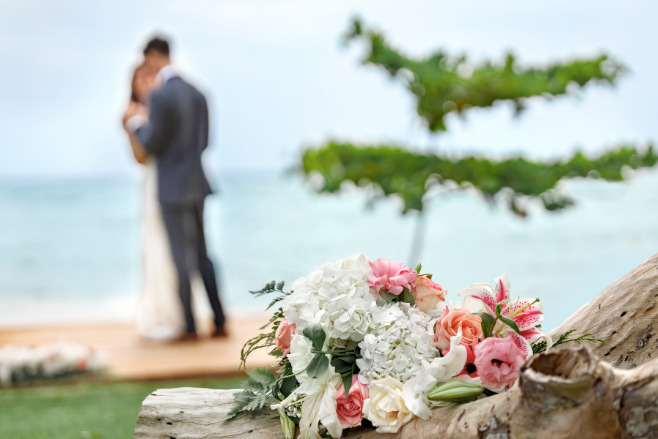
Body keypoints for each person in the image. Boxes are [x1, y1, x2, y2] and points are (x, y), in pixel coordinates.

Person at [123, 37, 227, 341]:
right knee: (203, 254)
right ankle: (220, 320)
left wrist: (136, 126)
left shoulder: (161, 96)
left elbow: (151, 143)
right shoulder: (198, 92)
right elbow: (206, 142)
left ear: (154, 56)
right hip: (198, 182)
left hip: (171, 187)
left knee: (181, 257)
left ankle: (190, 326)